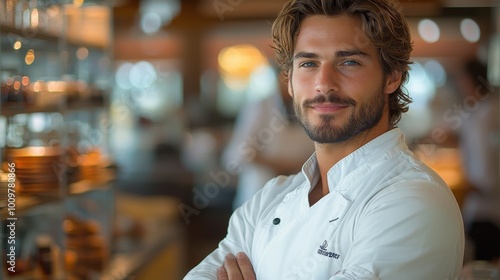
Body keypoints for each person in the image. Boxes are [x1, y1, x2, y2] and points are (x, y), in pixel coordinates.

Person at [184, 0, 465, 279]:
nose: (324, 83)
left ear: (392, 77)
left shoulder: (413, 201)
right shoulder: (268, 199)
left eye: (349, 62)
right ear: (290, 81)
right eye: (308, 63)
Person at [221, 68, 315, 210]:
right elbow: (238, 154)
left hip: (301, 193)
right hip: (259, 192)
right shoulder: (260, 107)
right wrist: (279, 167)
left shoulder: (314, 108)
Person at [456, 59, 500, 262]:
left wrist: (460, 189)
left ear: (470, 81)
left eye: (463, 80)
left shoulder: (486, 117)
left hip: (487, 212)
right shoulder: (482, 110)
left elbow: (485, 179)